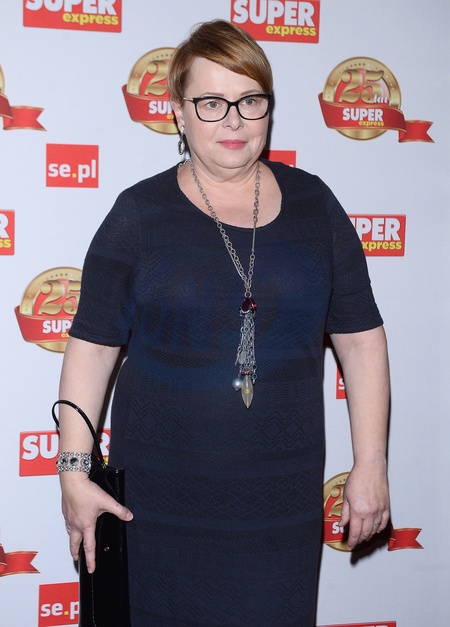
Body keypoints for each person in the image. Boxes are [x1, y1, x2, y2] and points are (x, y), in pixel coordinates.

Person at [55, 18, 390, 627]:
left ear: (269, 108)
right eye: (211, 103)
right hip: (156, 503)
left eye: (250, 100)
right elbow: (91, 348)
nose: (234, 120)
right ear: (179, 113)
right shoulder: (139, 213)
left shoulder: (316, 206)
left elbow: (362, 341)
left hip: (280, 504)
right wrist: (74, 473)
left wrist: (371, 465)